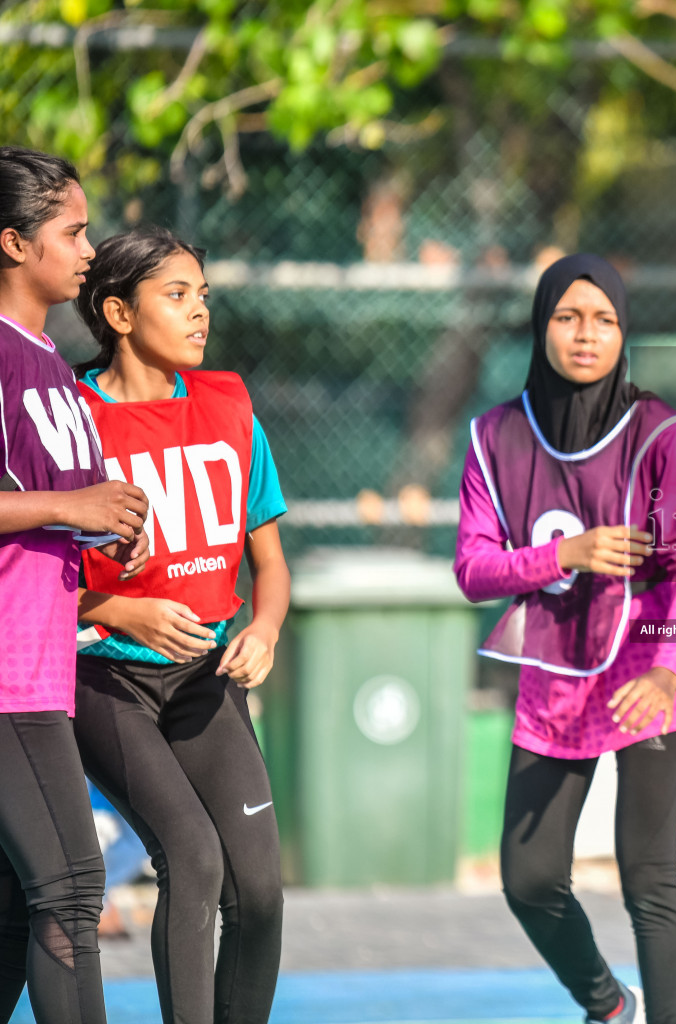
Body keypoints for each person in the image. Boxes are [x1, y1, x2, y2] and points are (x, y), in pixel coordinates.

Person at [454, 253, 676, 1024]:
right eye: (567, 317)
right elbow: (473, 570)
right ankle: (608, 1005)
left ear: (623, 331)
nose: (585, 334)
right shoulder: (496, 434)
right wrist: (562, 554)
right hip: (556, 674)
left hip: (648, 669)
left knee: (650, 879)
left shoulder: (661, 431)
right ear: (542, 328)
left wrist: (668, 669)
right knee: (529, 878)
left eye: (603, 319)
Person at [70, 225, 288, 1024]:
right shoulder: (69, 419)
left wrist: (262, 629)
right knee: (192, 857)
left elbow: (271, 564)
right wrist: (119, 608)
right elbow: (30, 579)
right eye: (178, 295)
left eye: (204, 296)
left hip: (205, 676)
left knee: (260, 892)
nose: (201, 313)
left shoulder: (230, 407)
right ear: (119, 313)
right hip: (106, 674)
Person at [0, 145, 148, 1024]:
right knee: (70, 885)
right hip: (5, 677)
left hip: (45, 669)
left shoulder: (53, 367)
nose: (89, 250)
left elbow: (61, 514)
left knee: (22, 904)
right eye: (73, 231)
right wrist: (74, 502)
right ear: (13, 244)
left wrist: (109, 530)